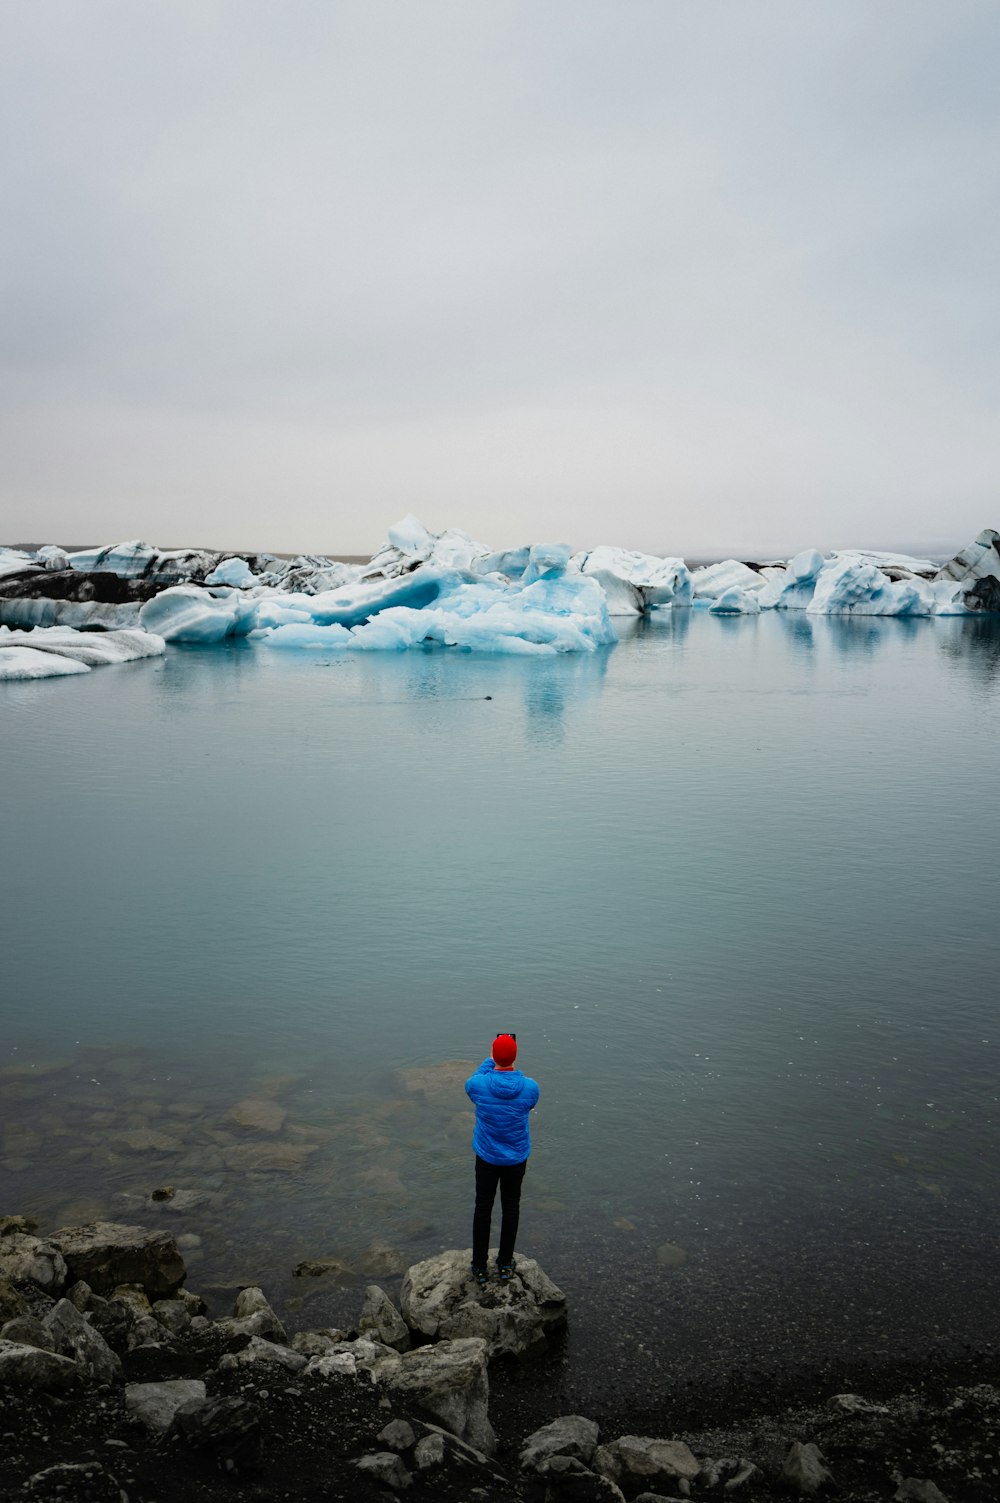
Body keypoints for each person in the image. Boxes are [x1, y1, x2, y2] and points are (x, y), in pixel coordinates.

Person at [465, 1033, 540, 1289]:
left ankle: (479, 1266)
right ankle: (506, 1264)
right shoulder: (530, 1087)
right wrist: (507, 1065)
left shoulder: (478, 1085)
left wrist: (490, 1059)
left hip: (486, 1157)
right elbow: (527, 1104)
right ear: (516, 1056)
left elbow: (473, 1081)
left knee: (483, 1208)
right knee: (511, 1207)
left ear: (493, 1055)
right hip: (516, 1159)